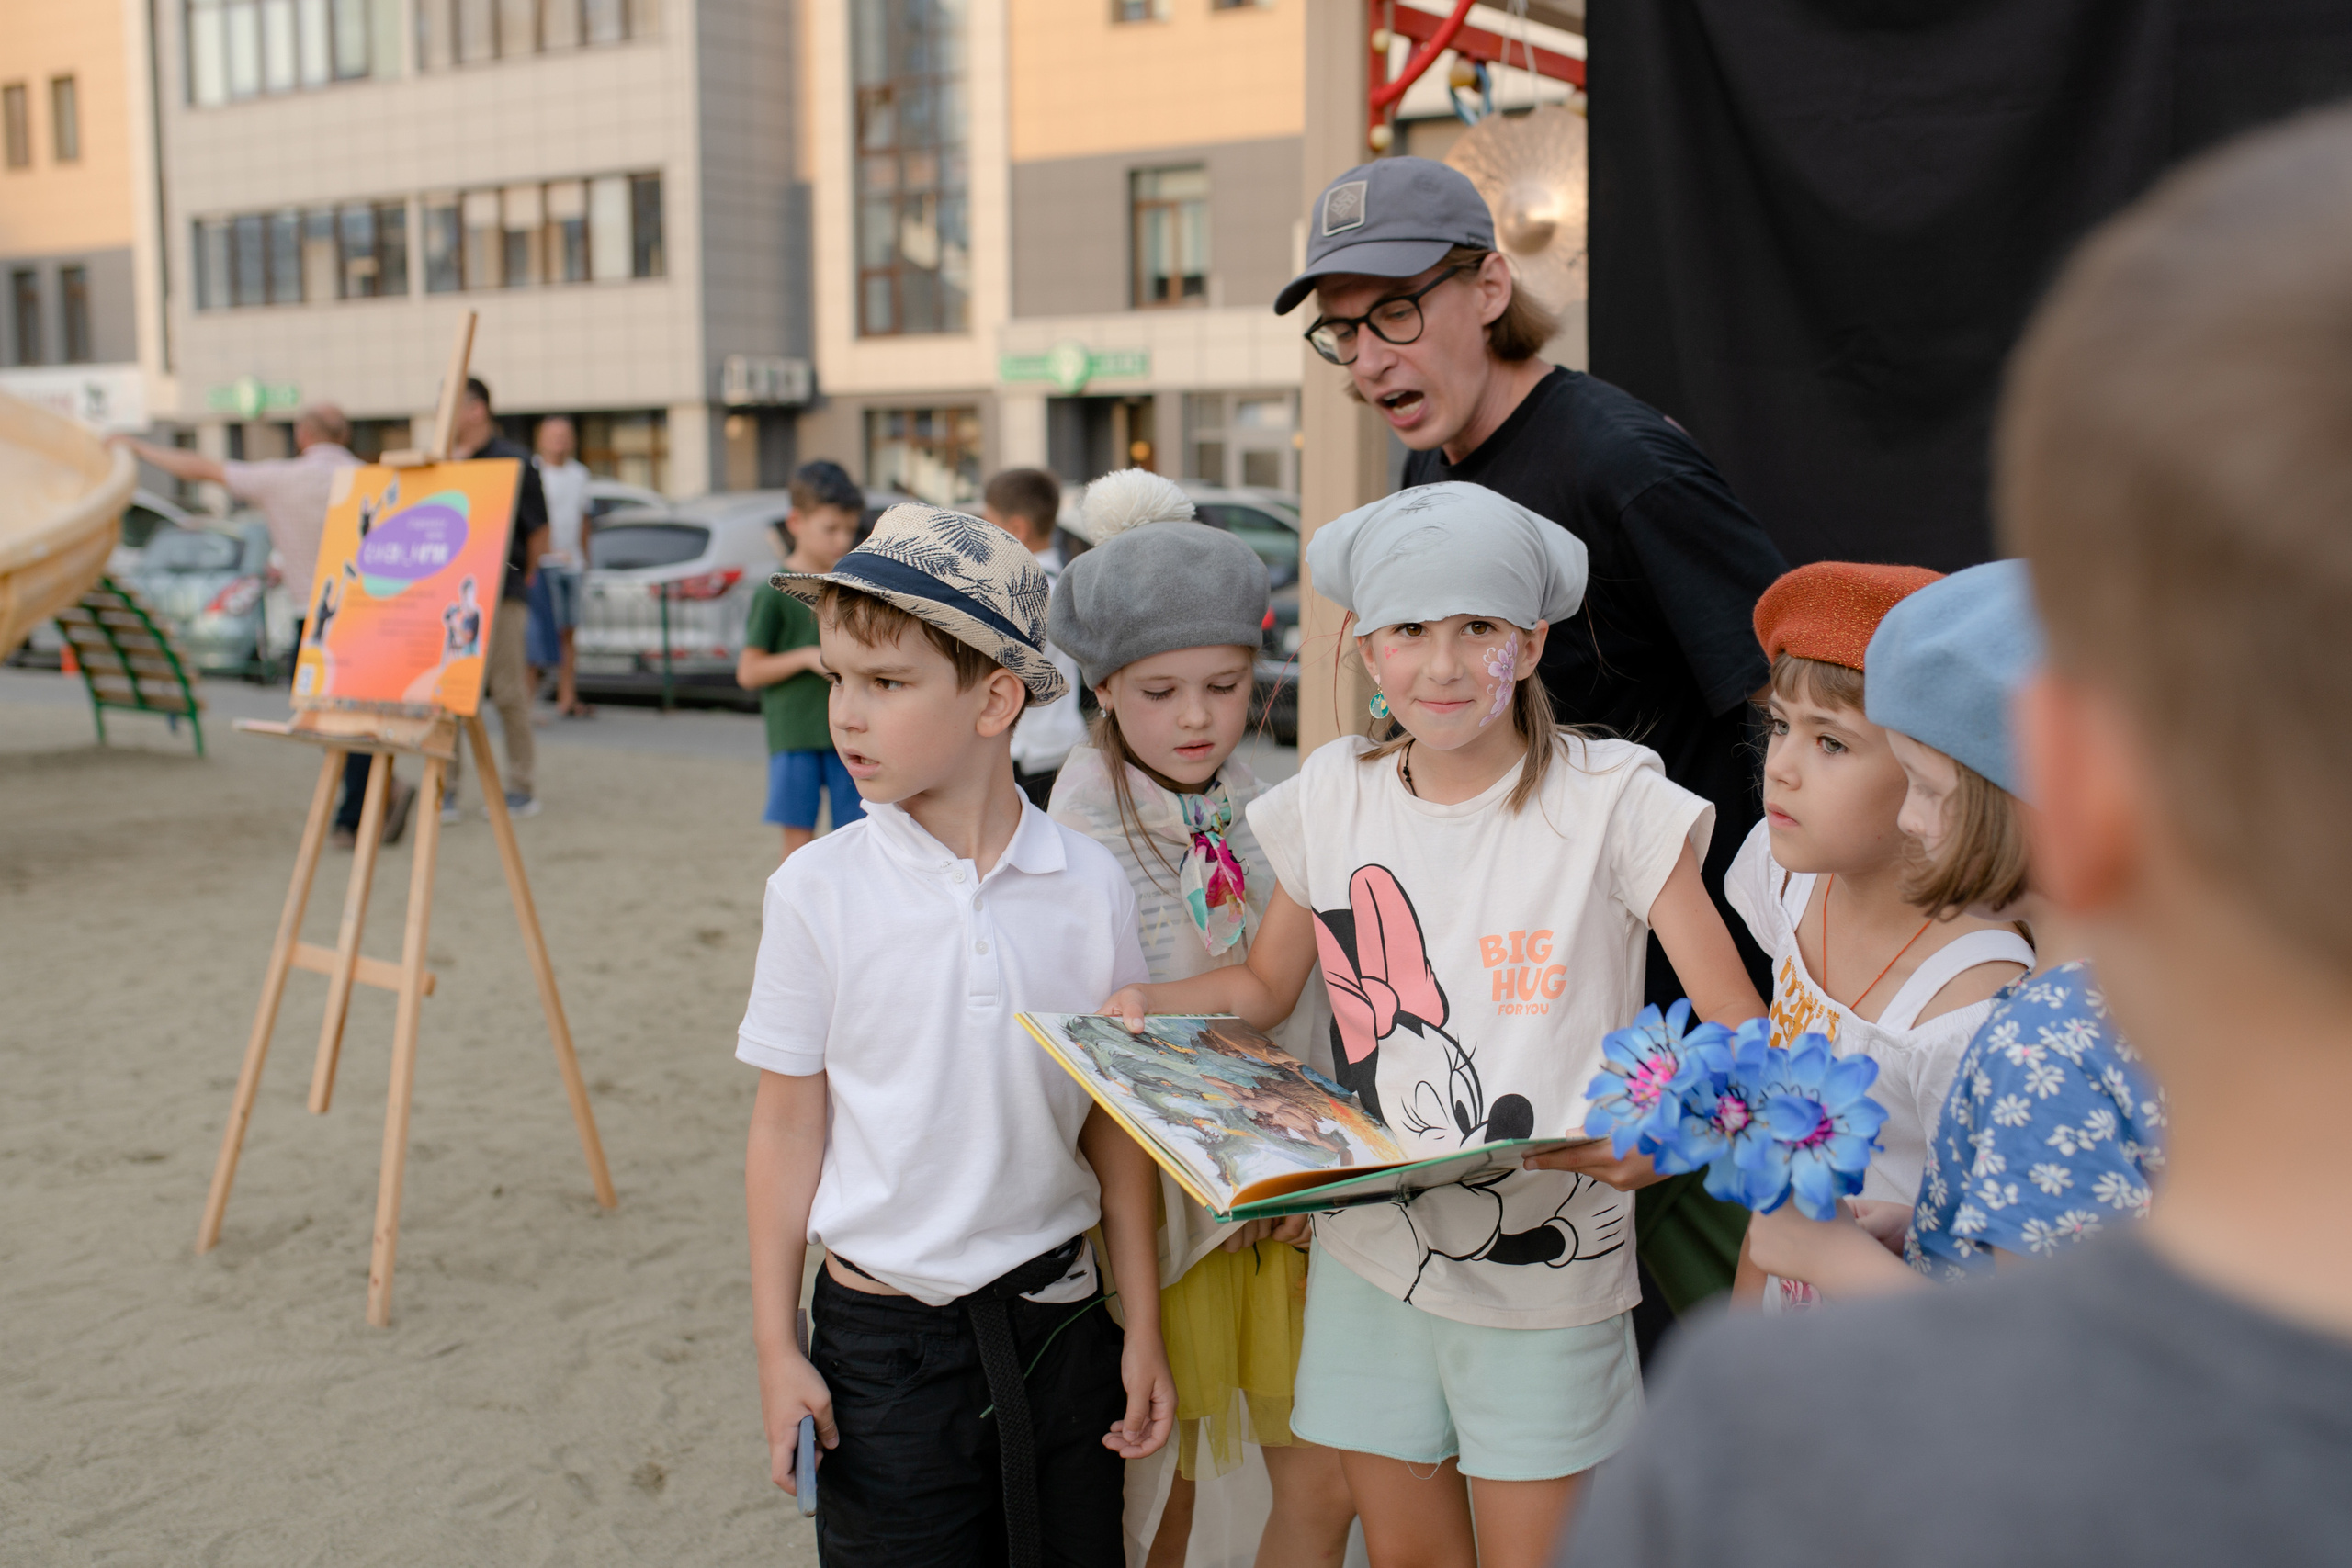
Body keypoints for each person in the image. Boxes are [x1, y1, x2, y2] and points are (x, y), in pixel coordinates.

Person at [1559, 107, 2352, 1568]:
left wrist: (1822, 1252)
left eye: (1908, 775)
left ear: (2078, 792)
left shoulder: (2038, 1037)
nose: (1801, 777)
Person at [1100, 481, 1766, 1566]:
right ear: (1365, 647)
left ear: (1533, 640)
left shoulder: (1614, 802)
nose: (1444, 665)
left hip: (1550, 1280)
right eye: (1410, 630)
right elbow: (1265, 986)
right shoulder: (1333, 795)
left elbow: (1742, 1034)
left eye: (1479, 630)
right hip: (1371, 1261)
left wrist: (1671, 1136)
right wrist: (1142, 1010)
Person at [1279, 154, 1792, 1325]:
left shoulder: (1620, 461)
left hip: (1660, 1033)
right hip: (1510, 1026)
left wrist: (1758, 1007)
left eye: (1395, 313)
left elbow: (1778, 704)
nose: (1367, 359)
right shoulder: (1432, 463)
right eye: (1341, 333)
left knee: (1673, 1380)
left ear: (1491, 287)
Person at [740, 502, 1175, 1567]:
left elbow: (1113, 1127)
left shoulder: (1087, 888)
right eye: (838, 677)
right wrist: (774, 1342)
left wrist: (1144, 1324)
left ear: (994, 700)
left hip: (1063, 1321)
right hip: (881, 1344)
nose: (846, 713)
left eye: (884, 684)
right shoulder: (814, 890)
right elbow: (788, 1125)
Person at [1045, 469, 1355, 1568]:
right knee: (1160, 1476)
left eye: (1222, 688)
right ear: (1103, 690)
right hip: (1159, 1209)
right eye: (1159, 691)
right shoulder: (1079, 823)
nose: (1194, 718)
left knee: (1298, 1468)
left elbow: (1287, 993)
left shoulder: (1244, 801)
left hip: (1267, 1182)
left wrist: (1298, 1162)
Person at [1741, 560, 2165, 1296]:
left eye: (1932, 789)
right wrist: (1929, 1228)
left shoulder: (2037, 1044)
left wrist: (1833, 1259)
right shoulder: (2144, 984)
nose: (1911, 816)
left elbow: (2044, 1356)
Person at [1724, 561, 2034, 1309]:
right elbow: (1779, 1197)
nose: (1782, 768)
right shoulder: (1781, 876)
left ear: (1926, 767)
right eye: (1779, 726)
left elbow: (2005, 1294)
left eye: (1832, 743)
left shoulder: (1974, 1004)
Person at [112, 405, 413, 851]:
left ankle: (356, 813)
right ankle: (375, 795)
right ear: (345, 433)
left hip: (311, 614)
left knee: (323, 719)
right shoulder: (370, 478)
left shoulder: (282, 478)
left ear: (302, 435)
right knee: (351, 718)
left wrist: (137, 446)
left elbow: (202, 469)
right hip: (365, 612)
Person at [738, 460, 865, 862]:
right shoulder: (772, 592)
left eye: (849, 529)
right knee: (798, 844)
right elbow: (749, 672)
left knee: (858, 836)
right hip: (794, 735)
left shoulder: (852, 590)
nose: (842, 540)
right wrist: (807, 658)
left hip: (852, 733)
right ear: (796, 521)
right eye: (831, 529)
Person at [441, 377, 548, 822]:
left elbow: (539, 532)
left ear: (477, 409)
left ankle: (519, 787)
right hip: (450, 595)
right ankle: (445, 789)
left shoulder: (515, 462)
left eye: (451, 404)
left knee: (508, 693)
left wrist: (524, 582)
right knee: (450, 694)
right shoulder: (442, 461)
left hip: (503, 593)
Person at [982, 467, 1087, 808]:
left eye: (989, 524)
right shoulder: (1066, 586)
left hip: (1026, 753)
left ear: (1016, 529)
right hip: (1062, 742)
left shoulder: (1020, 593)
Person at [527, 415, 594, 719]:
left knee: (569, 633)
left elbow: (584, 520)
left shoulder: (580, 475)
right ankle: (526, 704)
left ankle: (567, 697)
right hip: (542, 566)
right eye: (553, 435)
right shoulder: (533, 472)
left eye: (565, 435)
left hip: (573, 564)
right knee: (538, 637)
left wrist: (586, 558)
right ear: (541, 439)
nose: (560, 441)